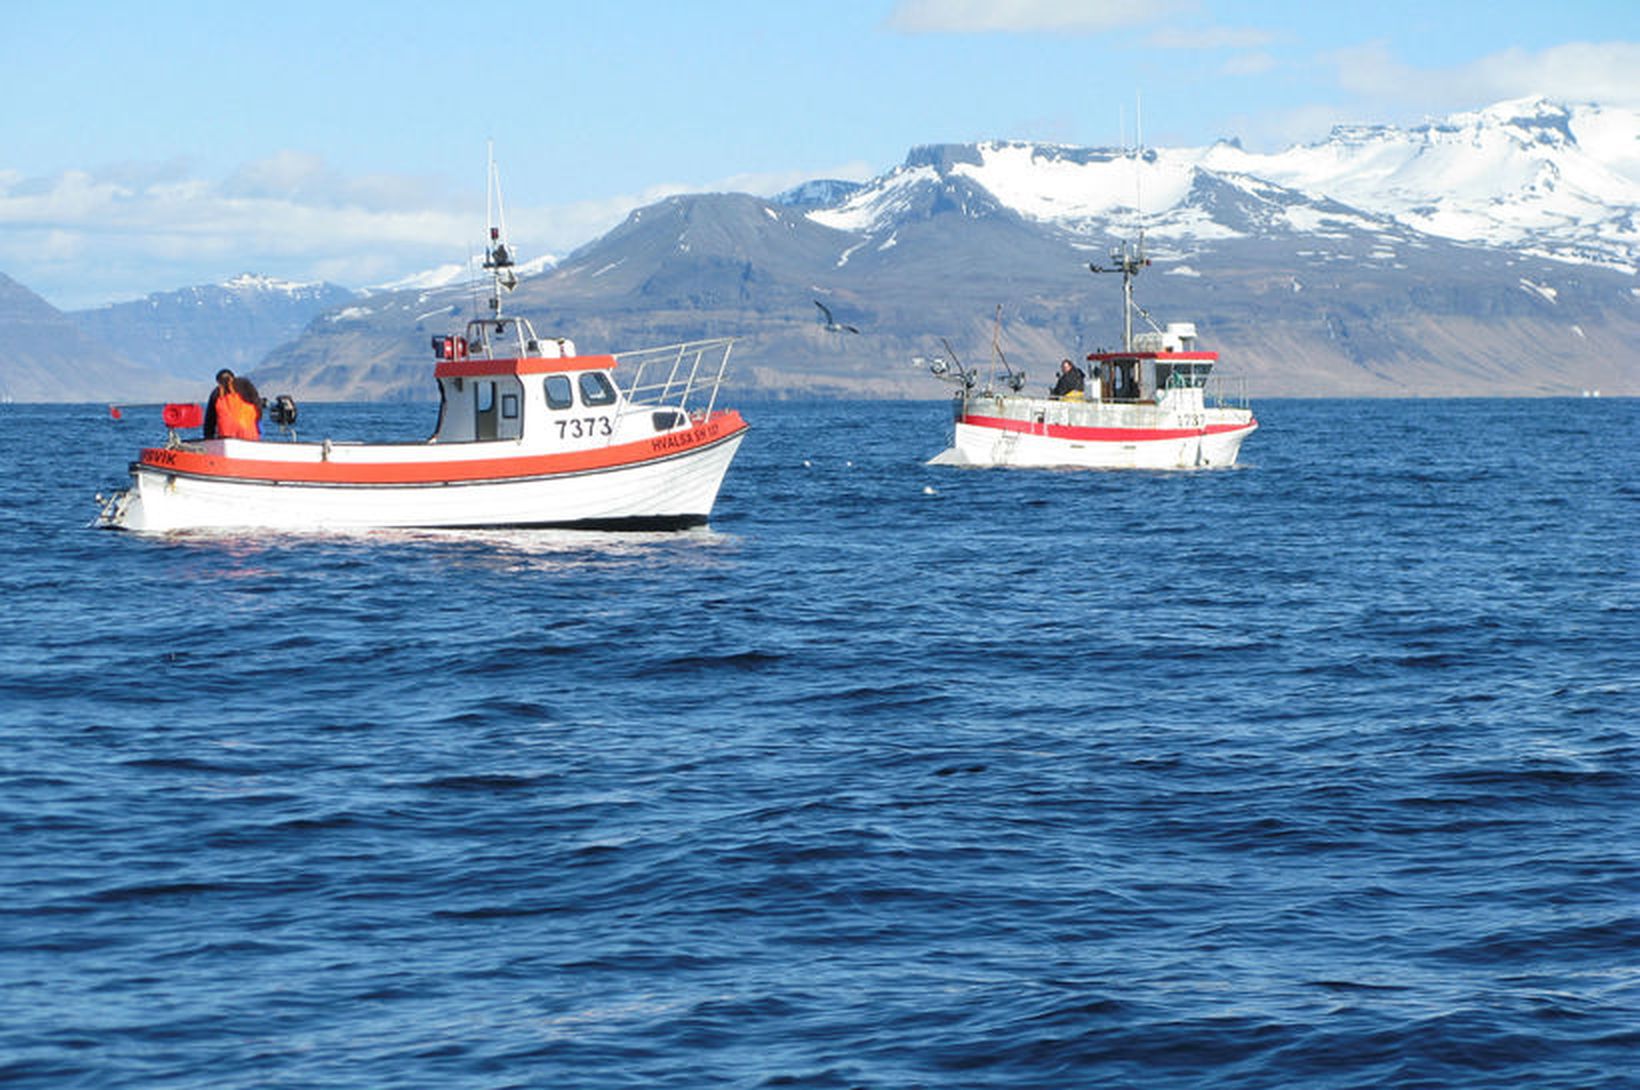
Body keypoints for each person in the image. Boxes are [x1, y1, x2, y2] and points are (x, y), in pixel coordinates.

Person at [217, 375, 263, 440]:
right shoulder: (252, 401)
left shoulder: (218, 394)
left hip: (226, 436)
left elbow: (210, 421)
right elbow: (258, 409)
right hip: (249, 437)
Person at [202, 369, 234, 438]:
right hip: (248, 438)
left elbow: (209, 420)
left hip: (226, 436)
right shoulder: (245, 390)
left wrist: (208, 437)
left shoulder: (216, 394)